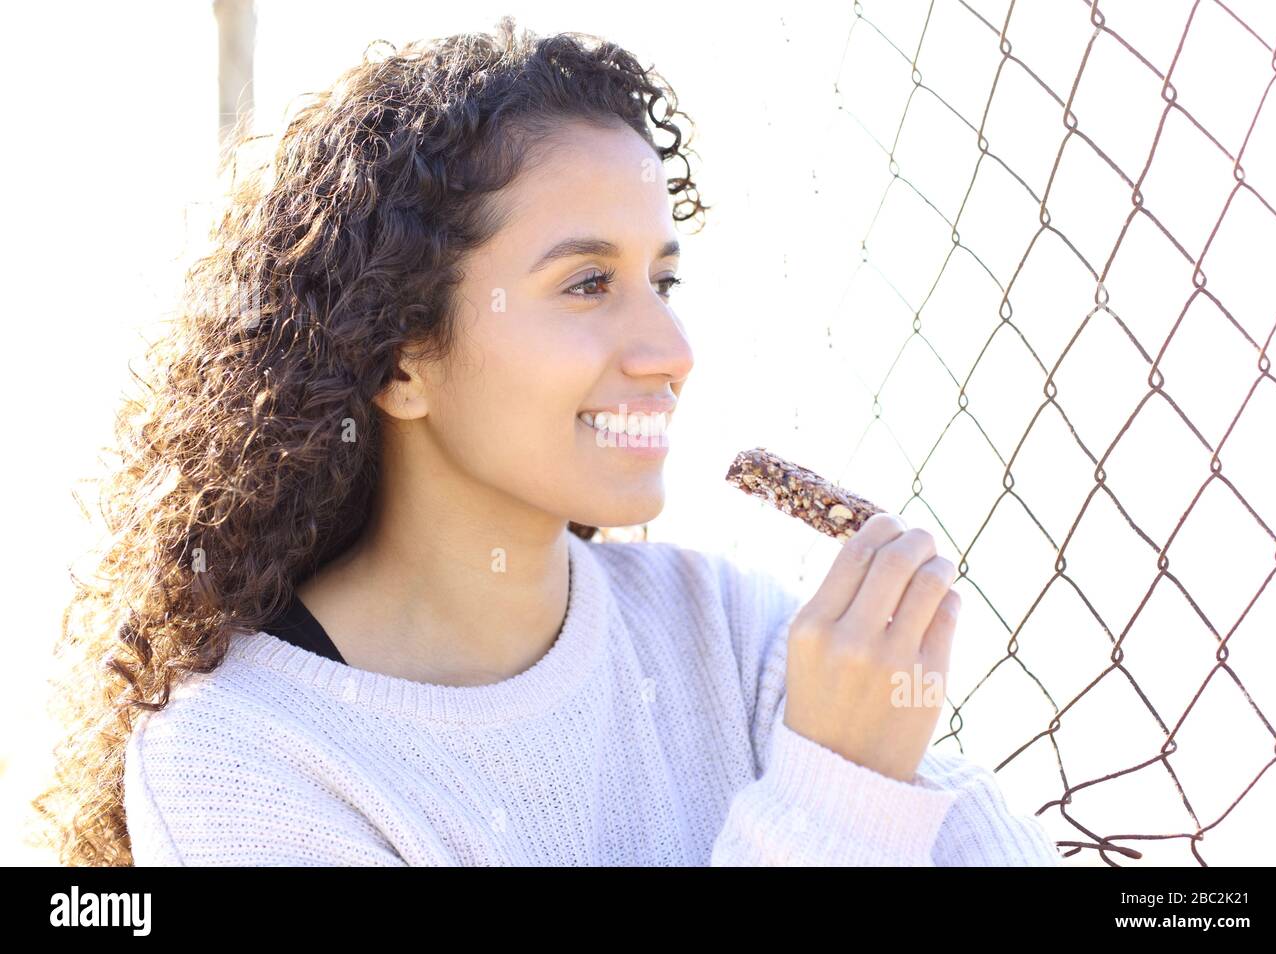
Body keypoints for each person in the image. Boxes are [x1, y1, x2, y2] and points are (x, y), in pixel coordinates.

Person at [35, 16, 1060, 867]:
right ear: (400, 359)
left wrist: (870, 757)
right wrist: (833, 789)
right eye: (585, 284)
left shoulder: (732, 635)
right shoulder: (248, 758)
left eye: (661, 281)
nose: (670, 350)